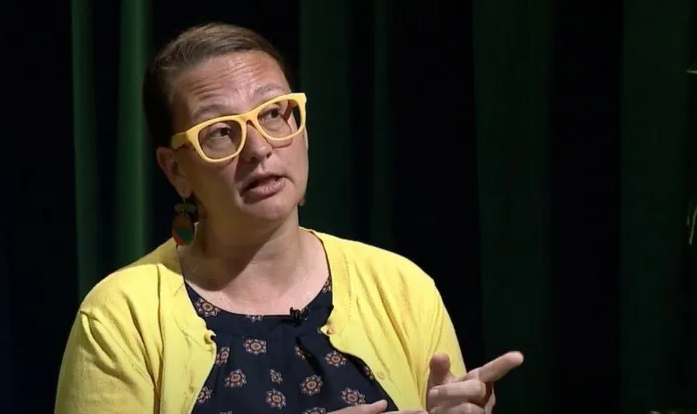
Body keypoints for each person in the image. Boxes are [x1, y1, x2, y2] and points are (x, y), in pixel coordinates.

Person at [54, 23, 523, 414]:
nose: (259, 148)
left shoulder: (402, 288)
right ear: (177, 169)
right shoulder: (120, 318)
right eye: (220, 132)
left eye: (275, 114)